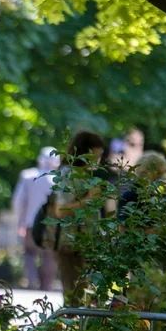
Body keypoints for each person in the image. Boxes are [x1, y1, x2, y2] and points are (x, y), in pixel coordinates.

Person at [54, 130, 106, 303]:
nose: (98, 160)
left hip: (85, 244)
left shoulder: (84, 175)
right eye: (95, 155)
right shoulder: (69, 173)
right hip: (71, 245)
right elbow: (60, 210)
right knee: (74, 295)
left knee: (85, 295)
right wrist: (89, 200)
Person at [11, 146, 59, 290]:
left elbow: (18, 201)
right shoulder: (59, 179)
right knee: (49, 255)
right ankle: (46, 285)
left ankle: (32, 281)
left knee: (30, 253)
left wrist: (20, 222)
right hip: (52, 224)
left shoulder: (27, 176)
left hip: (31, 223)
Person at [118, 151, 166, 221]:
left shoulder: (154, 196)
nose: (161, 177)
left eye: (163, 173)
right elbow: (123, 228)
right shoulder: (131, 196)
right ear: (146, 171)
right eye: (158, 173)